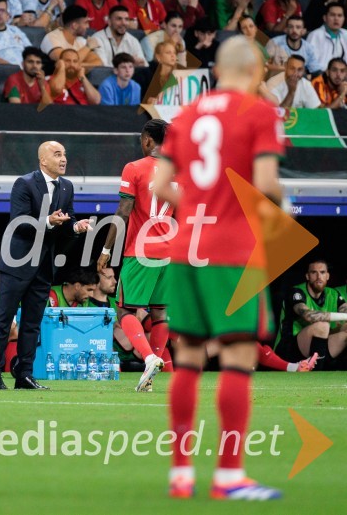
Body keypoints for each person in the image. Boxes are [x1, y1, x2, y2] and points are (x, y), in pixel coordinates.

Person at [153, 35, 285, 500]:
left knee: (187, 358)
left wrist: (194, 212)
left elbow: (159, 182)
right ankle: (230, 475)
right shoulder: (259, 112)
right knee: (236, 357)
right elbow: (266, 185)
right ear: (255, 70)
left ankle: (180, 474)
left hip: (187, 246)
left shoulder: (186, 115)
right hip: (233, 252)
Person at [0, 141, 91, 391]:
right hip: (17, 262)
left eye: (64, 154)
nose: (63, 159)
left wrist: (75, 227)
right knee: (3, 319)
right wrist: (48, 221)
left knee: (33, 322)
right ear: (43, 160)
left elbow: (67, 219)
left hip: (43, 265)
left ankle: (24, 375)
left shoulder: (66, 186)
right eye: (57, 154)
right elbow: (19, 222)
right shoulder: (25, 183)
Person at [98, 119, 173, 392]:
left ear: (147, 141)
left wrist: (106, 249)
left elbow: (123, 211)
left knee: (124, 309)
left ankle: (150, 358)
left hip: (142, 251)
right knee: (161, 312)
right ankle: (150, 372)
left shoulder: (134, 168)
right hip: (171, 251)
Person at [274, 260, 347, 368]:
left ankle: (331, 367)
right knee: (322, 326)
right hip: (288, 349)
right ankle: (317, 372)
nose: (318, 277)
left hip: (316, 348)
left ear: (327, 276)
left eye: (322, 272)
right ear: (307, 276)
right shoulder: (296, 292)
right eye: (314, 273)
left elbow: (344, 310)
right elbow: (309, 316)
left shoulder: (333, 294)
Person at [306, 2, 347, 73]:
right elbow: (310, 63)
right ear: (325, 18)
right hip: (321, 76)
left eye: (340, 16)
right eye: (332, 15)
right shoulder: (315, 35)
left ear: (344, 19)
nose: (336, 19)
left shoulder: (345, 34)